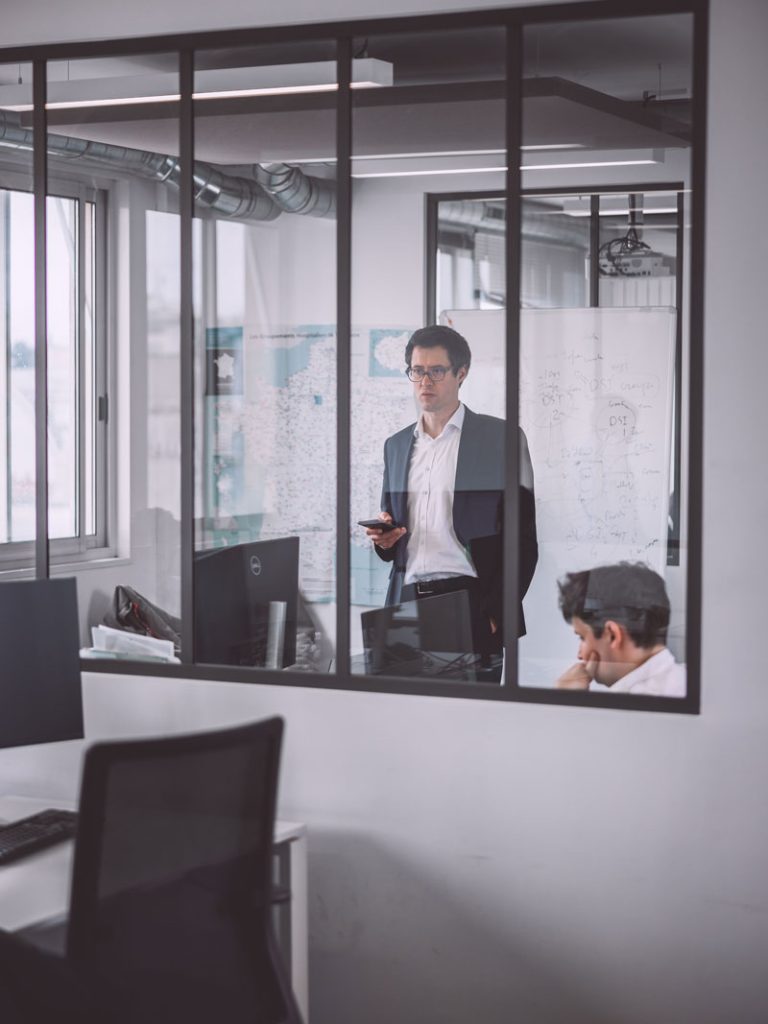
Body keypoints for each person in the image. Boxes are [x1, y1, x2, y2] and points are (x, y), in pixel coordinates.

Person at [365, 324, 538, 678]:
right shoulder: (395, 446)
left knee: (471, 725)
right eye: (417, 371)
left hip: (472, 605)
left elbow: (522, 540)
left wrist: (493, 614)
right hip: (405, 603)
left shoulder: (500, 439)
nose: (424, 381)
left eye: (436, 371)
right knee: (404, 722)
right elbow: (394, 535)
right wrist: (385, 541)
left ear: (461, 374)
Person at [555, 562, 686, 697]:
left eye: (582, 637)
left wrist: (566, 703)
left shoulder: (628, 708)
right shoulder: (689, 681)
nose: (580, 655)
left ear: (612, 635)